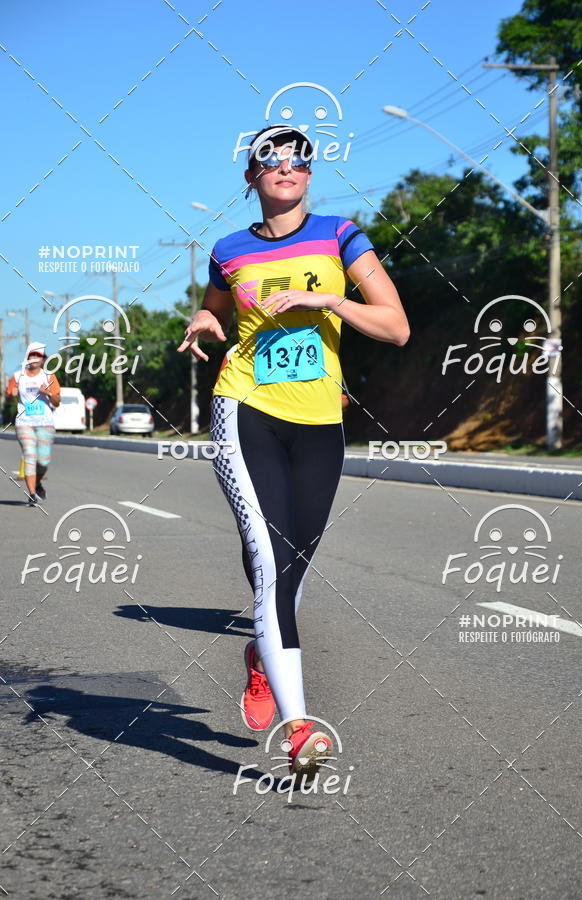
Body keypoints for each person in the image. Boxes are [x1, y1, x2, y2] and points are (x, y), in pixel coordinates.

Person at [178, 125, 409, 779]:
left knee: (297, 561)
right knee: (271, 559)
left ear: (310, 173)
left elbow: (396, 326)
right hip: (245, 407)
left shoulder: (341, 236)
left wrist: (328, 298)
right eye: (271, 157)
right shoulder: (228, 250)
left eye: (299, 157)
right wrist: (205, 319)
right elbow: (215, 310)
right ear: (251, 175)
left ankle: (262, 654)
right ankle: (299, 727)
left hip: (320, 422)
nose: (287, 165)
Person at [6, 342, 61, 506]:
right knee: (29, 456)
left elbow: (57, 402)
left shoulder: (48, 376)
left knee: (43, 461)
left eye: (39, 355)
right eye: (32, 355)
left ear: (43, 359)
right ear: (27, 358)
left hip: (45, 423)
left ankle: (37, 484)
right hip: (24, 422)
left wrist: (48, 392)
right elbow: (8, 397)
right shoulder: (17, 376)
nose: (35, 358)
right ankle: (31, 494)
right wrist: (11, 395)